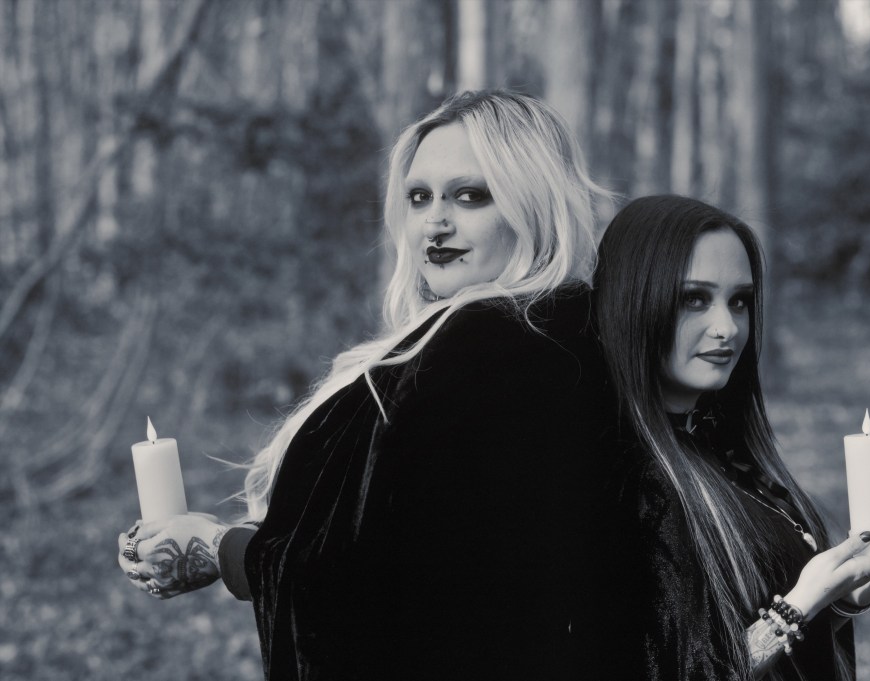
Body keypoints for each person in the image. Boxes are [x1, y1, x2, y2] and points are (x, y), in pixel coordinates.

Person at [116, 90, 636, 679]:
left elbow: (362, 582)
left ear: (534, 204)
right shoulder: (558, 337)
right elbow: (427, 539)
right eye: (419, 197)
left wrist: (216, 549)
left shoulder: (485, 353)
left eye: (470, 195)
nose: (435, 222)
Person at [592, 195, 870, 680]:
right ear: (634, 302)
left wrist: (844, 598)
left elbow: (757, 633)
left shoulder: (717, 448)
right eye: (694, 299)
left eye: (739, 301)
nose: (727, 327)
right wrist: (798, 606)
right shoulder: (629, 480)